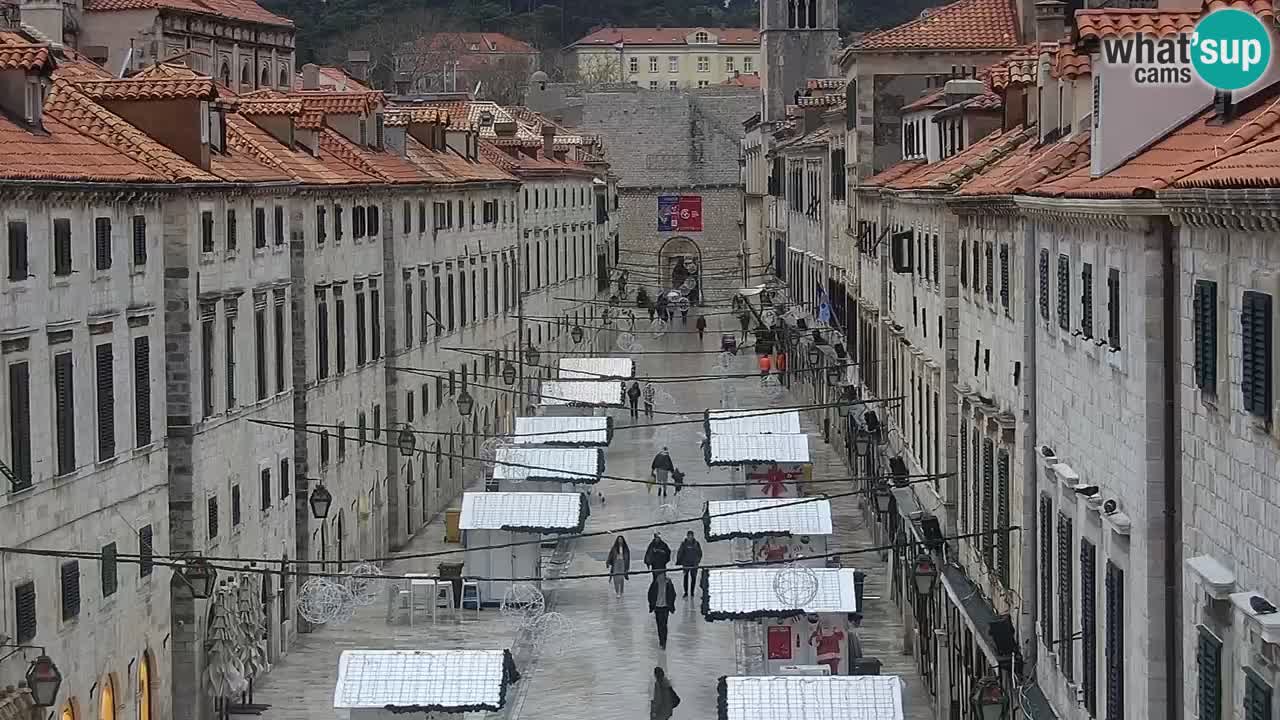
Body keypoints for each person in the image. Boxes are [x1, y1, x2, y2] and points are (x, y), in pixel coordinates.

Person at [647, 572, 677, 649]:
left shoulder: (668, 583)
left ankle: (664, 642)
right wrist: (652, 604)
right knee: (660, 625)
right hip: (657, 607)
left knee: (664, 625)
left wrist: (671, 604)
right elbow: (650, 594)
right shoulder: (655, 584)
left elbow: (673, 594)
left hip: (665, 607)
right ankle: (661, 641)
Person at [675, 530, 703, 597]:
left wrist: (697, 561)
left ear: (693, 536)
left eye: (691, 536)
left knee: (693, 578)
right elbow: (680, 552)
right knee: (685, 578)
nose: (690, 537)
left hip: (694, 564)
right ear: (687, 536)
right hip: (686, 564)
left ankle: (692, 592)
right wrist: (679, 561)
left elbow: (700, 553)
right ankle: (686, 592)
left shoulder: (696, 544)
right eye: (689, 536)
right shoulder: (684, 544)